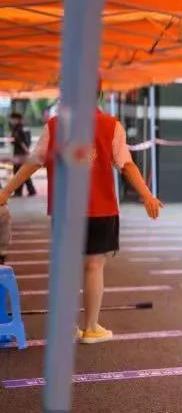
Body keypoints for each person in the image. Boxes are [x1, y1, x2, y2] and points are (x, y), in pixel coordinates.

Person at [0, 85, 161, 343]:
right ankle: (91, 328)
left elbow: (33, 162)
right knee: (94, 267)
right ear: (98, 95)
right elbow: (126, 165)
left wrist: (7, 191)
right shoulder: (111, 125)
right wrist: (147, 195)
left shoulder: (54, 126)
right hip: (100, 209)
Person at [8, 112, 36, 197]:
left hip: (19, 154)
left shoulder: (18, 128)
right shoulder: (23, 127)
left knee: (18, 173)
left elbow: (21, 142)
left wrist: (27, 151)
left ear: (16, 119)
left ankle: (18, 192)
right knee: (23, 172)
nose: (11, 121)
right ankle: (31, 190)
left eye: (12, 119)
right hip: (22, 153)